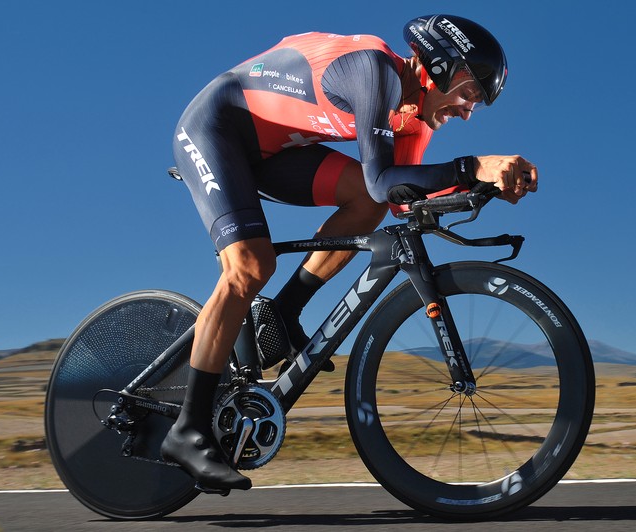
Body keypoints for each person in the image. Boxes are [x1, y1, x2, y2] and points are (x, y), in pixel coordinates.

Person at [161, 14, 539, 491]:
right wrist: (471, 166)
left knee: (367, 203)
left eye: (477, 105)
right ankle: (187, 430)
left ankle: (282, 311)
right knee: (251, 265)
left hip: (277, 151)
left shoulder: (412, 122)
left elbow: (398, 199)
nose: (467, 111)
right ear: (438, 66)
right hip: (215, 129)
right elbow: (387, 181)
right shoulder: (373, 71)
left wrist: (480, 188)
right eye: (468, 93)